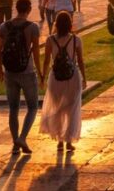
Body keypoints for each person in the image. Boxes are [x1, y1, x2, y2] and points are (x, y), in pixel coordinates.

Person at [0, 0, 42, 155]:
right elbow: (35, 52)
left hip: (9, 72)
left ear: (16, 8)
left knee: (13, 108)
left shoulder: (4, 26)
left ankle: (15, 144)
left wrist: (0, 70)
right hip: (27, 71)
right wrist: (41, 72)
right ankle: (22, 138)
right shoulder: (32, 27)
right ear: (28, 9)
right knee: (33, 107)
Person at [40, 10, 85, 152]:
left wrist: (42, 76)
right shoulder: (76, 40)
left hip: (56, 78)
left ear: (57, 24)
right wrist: (84, 77)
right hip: (73, 78)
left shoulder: (50, 40)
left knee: (58, 109)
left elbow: (47, 61)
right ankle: (68, 141)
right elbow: (81, 61)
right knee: (72, 110)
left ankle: (59, 140)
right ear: (70, 24)